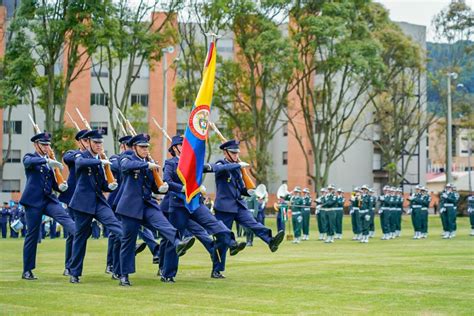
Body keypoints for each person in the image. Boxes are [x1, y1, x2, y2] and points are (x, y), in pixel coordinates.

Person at [115, 133, 195, 286]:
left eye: (147, 147)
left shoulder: (149, 163)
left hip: (147, 204)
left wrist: (161, 188)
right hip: (130, 206)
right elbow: (125, 167)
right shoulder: (127, 158)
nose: (145, 150)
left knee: (163, 223)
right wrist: (147, 165)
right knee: (128, 241)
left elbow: (153, 187)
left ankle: (178, 242)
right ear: (134, 148)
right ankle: (124, 275)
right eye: (142, 147)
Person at [162, 136, 246, 281]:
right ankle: (168, 274)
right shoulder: (170, 163)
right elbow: (167, 181)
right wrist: (184, 188)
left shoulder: (194, 161)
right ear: (175, 148)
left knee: (216, 225)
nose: (185, 147)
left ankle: (231, 242)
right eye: (182, 145)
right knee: (175, 239)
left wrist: (238, 165)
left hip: (195, 204)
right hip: (178, 205)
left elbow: (218, 167)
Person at [210, 140, 284, 275]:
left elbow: (239, 187)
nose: (236, 155)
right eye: (233, 153)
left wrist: (247, 191)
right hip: (224, 207)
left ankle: (270, 240)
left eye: (237, 153)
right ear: (225, 152)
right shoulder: (222, 163)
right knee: (222, 239)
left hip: (238, 205)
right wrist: (237, 165)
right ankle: (217, 270)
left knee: (253, 223)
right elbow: (217, 169)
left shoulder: (237, 167)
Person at [67, 129, 122, 284]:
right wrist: (100, 161)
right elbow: (80, 163)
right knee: (80, 237)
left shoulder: (99, 159)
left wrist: (110, 186)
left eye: (100, 143)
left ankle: (127, 241)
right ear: (88, 142)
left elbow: (102, 184)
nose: (99, 145)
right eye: (96, 142)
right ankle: (74, 272)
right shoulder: (81, 155)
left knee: (114, 223)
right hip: (82, 203)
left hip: (98, 201)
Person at [20, 131, 76, 280]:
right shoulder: (30, 157)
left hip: (49, 200)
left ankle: (80, 233)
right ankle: (27, 270)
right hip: (33, 202)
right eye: (43, 145)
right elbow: (28, 163)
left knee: (65, 217)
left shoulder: (49, 161)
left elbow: (53, 183)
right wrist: (46, 161)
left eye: (47, 145)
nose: (46, 147)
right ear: (36, 145)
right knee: (32, 235)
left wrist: (62, 186)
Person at [59, 129, 88, 276]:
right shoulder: (73, 154)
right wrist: (82, 154)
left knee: (84, 233)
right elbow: (68, 158)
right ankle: (69, 266)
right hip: (73, 199)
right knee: (74, 233)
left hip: (89, 200)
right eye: (85, 140)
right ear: (80, 141)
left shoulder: (94, 156)